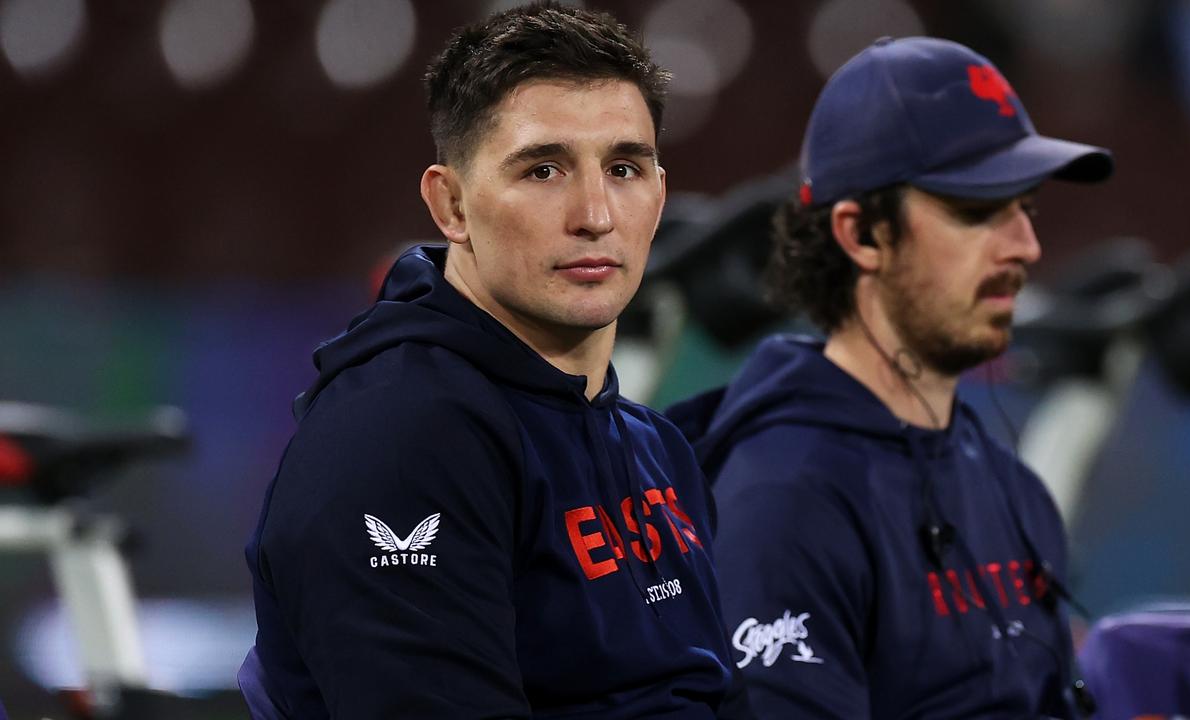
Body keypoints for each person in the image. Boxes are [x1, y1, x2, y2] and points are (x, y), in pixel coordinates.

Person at [241, 4, 742, 718]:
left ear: (659, 199)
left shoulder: (655, 447)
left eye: (625, 168)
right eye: (543, 169)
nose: (596, 214)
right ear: (451, 205)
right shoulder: (398, 442)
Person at [667, 37, 1114, 719]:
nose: (1026, 247)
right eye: (977, 211)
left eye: (1027, 207)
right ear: (863, 234)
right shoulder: (787, 499)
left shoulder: (1007, 483)